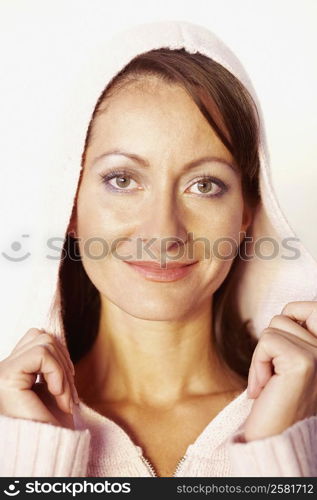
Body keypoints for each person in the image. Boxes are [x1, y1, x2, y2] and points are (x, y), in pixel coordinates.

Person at [0, 20, 317, 478]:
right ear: (70, 204)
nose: (163, 231)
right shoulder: (11, 422)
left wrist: (278, 452)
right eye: (123, 180)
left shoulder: (303, 412)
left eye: (204, 184)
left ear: (248, 212)